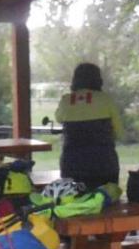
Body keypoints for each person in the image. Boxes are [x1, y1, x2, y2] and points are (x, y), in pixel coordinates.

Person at [53, 62, 123, 190]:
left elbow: (58, 118)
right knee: (106, 198)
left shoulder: (66, 100)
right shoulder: (105, 99)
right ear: (98, 79)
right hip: (104, 162)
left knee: (74, 198)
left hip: (72, 163)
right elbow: (119, 131)